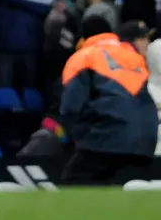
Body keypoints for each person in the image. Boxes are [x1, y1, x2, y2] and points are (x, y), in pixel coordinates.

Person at [60, 16, 158, 185]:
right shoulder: (133, 56)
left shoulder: (84, 56)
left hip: (107, 134)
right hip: (146, 137)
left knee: (73, 180)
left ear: (83, 38)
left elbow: (71, 107)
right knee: (107, 180)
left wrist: (75, 136)